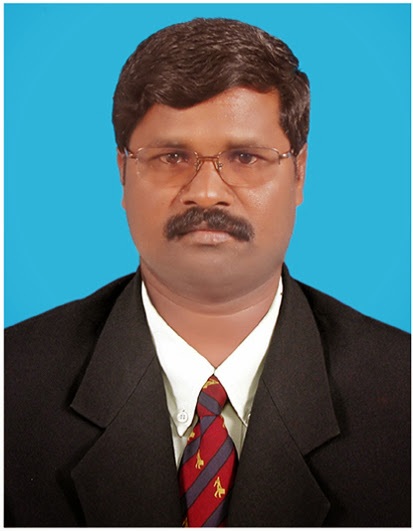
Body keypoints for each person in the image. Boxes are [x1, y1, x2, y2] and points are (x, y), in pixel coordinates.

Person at [5, 17, 410, 527]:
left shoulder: (403, 390)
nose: (206, 192)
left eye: (245, 157)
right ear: (123, 172)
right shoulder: (10, 385)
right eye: (172, 156)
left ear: (299, 173)